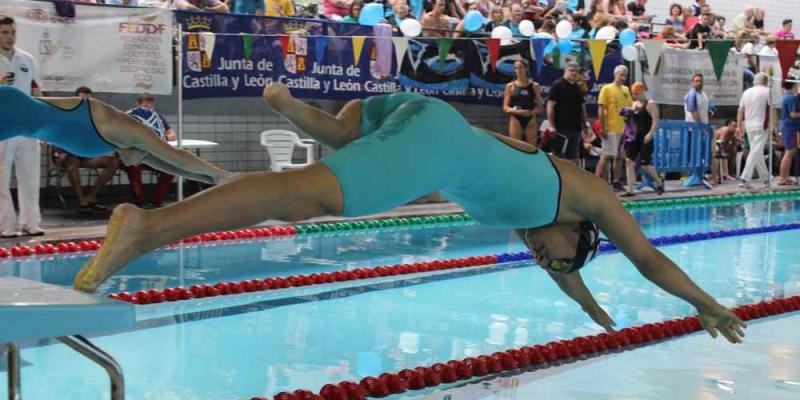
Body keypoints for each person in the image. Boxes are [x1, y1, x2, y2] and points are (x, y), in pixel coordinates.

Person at [74, 83, 746, 345]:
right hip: (435, 141)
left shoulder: (532, 205)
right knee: (308, 196)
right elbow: (649, 257)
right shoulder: (587, 194)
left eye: (545, 261)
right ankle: (148, 227)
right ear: (578, 230)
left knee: (345, 151)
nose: (543, 258)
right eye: (555, 253)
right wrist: (705, 304)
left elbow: (561, 263)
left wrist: (587, 304)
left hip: (420, 116)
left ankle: (295, 108)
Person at [0, 85, 233, 190]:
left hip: (27, 120)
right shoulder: (129, 130)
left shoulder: (124, 143)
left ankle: (219, 177)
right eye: (143, 152)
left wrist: (210, 180)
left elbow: (170, 166)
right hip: (21, 111)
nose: (132, 163)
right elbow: (176, 156)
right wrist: (224, 175)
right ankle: (225, 175)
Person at [0, 15, 44, 237]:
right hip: (2, 127)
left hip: (27, 127)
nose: (10, 37)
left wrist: (42, 124)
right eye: (5, 32)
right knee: (1, 177)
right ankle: (5, 224)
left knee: (30, 176)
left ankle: (31, 222)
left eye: (13, 32)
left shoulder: (28, 59)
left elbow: (37, 93)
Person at [52, 87, 122, 212]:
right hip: (66, 154)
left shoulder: (94, 117)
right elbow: (57, 136)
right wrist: (62, 151)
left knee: (114, 161)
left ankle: (91, 196)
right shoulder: (65, 114)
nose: (85, 102)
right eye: (82, 99)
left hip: (86, 155)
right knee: (71, 160)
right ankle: (81, 200)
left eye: (88, 99)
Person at [125, 94, 178, 208]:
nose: (149, 108)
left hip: (153, 155)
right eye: (146, 105)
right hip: (135, 155)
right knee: (135, 167)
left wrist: (163, 138)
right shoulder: (130, 116)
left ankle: (156, 200)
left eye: (151, 105)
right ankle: (139, 202)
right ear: (138, 105)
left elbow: (172, 134)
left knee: (170, 168)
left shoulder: (158, 116)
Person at [620, 82, 664, 197]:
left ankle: (659, 181)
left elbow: (655, 121)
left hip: (645, 137)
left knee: (645, 164)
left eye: (636, 93)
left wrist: (650, 134)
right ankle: (630, 190)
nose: (634, 96)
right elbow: (631, 121)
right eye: (633, 94)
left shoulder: (650, 104)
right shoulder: (634, 104)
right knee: (629, 161)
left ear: (642, 91)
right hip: (634, 138)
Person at [596, 65, 631, 190]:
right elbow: (601, 109)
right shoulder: (607, 89)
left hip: (624, 129)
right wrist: (603, 126)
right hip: (610, 127)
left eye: (625, 75)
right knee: (606, 156)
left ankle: (616, 181)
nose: (623, 78)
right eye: (621, 75)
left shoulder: (626, 90)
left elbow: (629, 109)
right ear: (615, 75)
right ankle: (598, 181)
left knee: (620, 157)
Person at [546, 61, 589, 163]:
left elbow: (582, 107)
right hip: (561, 127)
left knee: (573, 157)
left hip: (575, 128)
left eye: (576, 71)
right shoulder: (557, 85)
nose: (573, 73)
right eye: (571, 70)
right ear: (565, 71)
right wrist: (551, 125)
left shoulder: (577, 88)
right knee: (558, 157)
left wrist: (585, 124)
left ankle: (571, 179)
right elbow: (550, 105)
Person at [737, 73, 771, 188]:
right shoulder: (768, 91)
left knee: (757, 153)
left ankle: (766, 178)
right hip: (762, 126)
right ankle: (745, 178)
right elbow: (773, 110)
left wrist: (738, 126)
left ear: (754, 81)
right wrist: (773, 126)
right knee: (755, 152)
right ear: (766, 82)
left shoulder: (746, 92)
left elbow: (740, 110)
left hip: (749, 126)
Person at [503, 60, 542, 147]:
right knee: (516, 147)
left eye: (521, 67)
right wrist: (517, 111)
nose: (518, 70)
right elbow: (505, 107)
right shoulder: (510, 86)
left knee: (531, 147)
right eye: (516, 68)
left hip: (530, 119)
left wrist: (530, 113)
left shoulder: (534, 86)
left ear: (526, 69)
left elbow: (540, 107)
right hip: (516, 118)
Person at [778, 82, 800, 185]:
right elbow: (793, 114)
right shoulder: (791, 98)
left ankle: (785, 177)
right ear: (794, 86)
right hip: (791, 128)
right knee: (789, 153)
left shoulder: (785, 97)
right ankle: (783, 178)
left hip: (788, 127)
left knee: (789, 152)